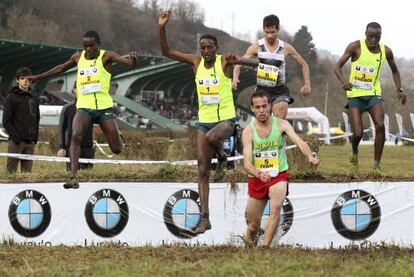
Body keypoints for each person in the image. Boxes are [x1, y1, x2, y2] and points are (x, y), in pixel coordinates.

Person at [159, 10, 258, 234]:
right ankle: (205, 219)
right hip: (203, 121)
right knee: (202, 169)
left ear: (217, 49)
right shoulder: (195, 62)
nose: (205, 51)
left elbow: (257, 62)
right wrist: (162, 27)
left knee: (213, 137)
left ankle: (222, 156)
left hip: (225, 120)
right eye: (202, 47)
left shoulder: (224, 62)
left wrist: (239, 60)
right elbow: (166, 51)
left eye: (209, 47)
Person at [28, 30, 138, 188]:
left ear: (98, 44)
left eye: (91, 46)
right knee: (75, 136)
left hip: (103, 107)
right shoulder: (78, 57)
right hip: (84, 106)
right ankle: (73, 177)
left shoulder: (107, 56)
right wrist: (38, 77)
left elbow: (129, 64)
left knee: (116, 149)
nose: (88, 49)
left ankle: (118, 137)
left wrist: (133, 60)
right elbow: (60, 68)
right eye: (85, 46)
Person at [242, 91, 319, 248]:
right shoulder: (248, 131)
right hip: (257, 178)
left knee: (276, 208)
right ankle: (249, 249)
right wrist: (258, 173)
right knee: (252, 226)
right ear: (252, 108)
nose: (262, 110)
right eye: (258, 107)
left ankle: (265, 248)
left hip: (278, 174)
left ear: (270, 106)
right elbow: (247, 164)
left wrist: (310, 156)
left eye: (264, 106)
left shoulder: (282, 124)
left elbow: (300, 142)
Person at [334, 22, 407, 173]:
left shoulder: (386, 51)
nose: (373, 40)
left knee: (380, 126)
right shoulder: (355, 47)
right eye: (370, 36)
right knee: (358, 133)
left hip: (373, 94)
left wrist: (399, 89)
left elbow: (395, 70)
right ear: (365, 34)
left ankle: (376, 166)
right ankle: (354, 153)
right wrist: (343, 82)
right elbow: (337, 67)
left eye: (377, 37)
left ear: (381, 35)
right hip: (355, 95)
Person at [233, 14, 311, 119]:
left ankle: (279, 132)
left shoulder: (286, 48)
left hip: (279, 90)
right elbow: (239, 64)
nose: (270, 35)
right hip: (261, 91)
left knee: (280, 113)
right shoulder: (256, 46)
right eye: (267, 32)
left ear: (278, 30)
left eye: (273, 32)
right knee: (264, 123)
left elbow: (304, 64)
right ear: (263, 30)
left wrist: (307, 84)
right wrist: (235, 78)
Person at [2, 67, 40, 173]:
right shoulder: (11, 98)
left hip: (30, 143)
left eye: (28, 79)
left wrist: (34, 138)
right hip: (15, 142)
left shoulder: (34, 98)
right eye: (22, 78)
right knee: (11, 173)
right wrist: (16, 138)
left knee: (27, 175)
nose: (25, 81)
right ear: (17, 80)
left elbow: (37, 119)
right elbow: (6, 121)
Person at [57, 81, 94, 171]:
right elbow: (61, 128)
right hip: (71, 148)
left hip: (87, 148)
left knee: (88, 177)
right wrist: (61, 147)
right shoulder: (67, 108)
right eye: (79, 87)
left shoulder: (92, 108)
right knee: (72, 175)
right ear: (74, 90)